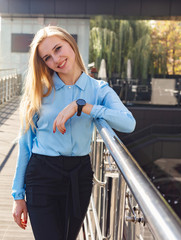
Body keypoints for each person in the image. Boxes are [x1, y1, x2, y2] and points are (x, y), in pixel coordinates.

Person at [11, 26, 136, 240]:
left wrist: (84, 107)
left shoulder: (98, 89)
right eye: (48, 57)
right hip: (41, 175)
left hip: (78, 176)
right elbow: (25, 145)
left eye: (59, 48)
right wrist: (17, 196)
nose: (56, 59)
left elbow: (128, 123)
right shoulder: (39, 92)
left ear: (71, 44)